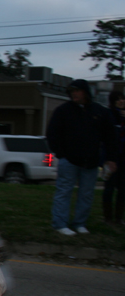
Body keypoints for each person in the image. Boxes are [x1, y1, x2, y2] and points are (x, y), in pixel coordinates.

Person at [47, 79, 116, 236]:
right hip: (68, 161)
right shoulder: (63, 111)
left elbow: (110, 137)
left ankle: (80, 223)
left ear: (85, 92)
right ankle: (60, 224)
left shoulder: (100, 112)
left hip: (91, 161)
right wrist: (61, 154)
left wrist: (110, 158)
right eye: (72, 91)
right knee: (64, 191)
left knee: (86, 194)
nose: (74, 94)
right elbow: (52, 134)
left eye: (77, 90)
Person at [102, 90, 125, 225]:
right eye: (118, 99)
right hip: (110, 159)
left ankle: (119, 217)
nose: (121, 101)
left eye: (122, 99)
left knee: (122, 189)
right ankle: (108, 218)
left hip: (123, 160)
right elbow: (106, 139)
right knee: (109, 188)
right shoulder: (109, 116)